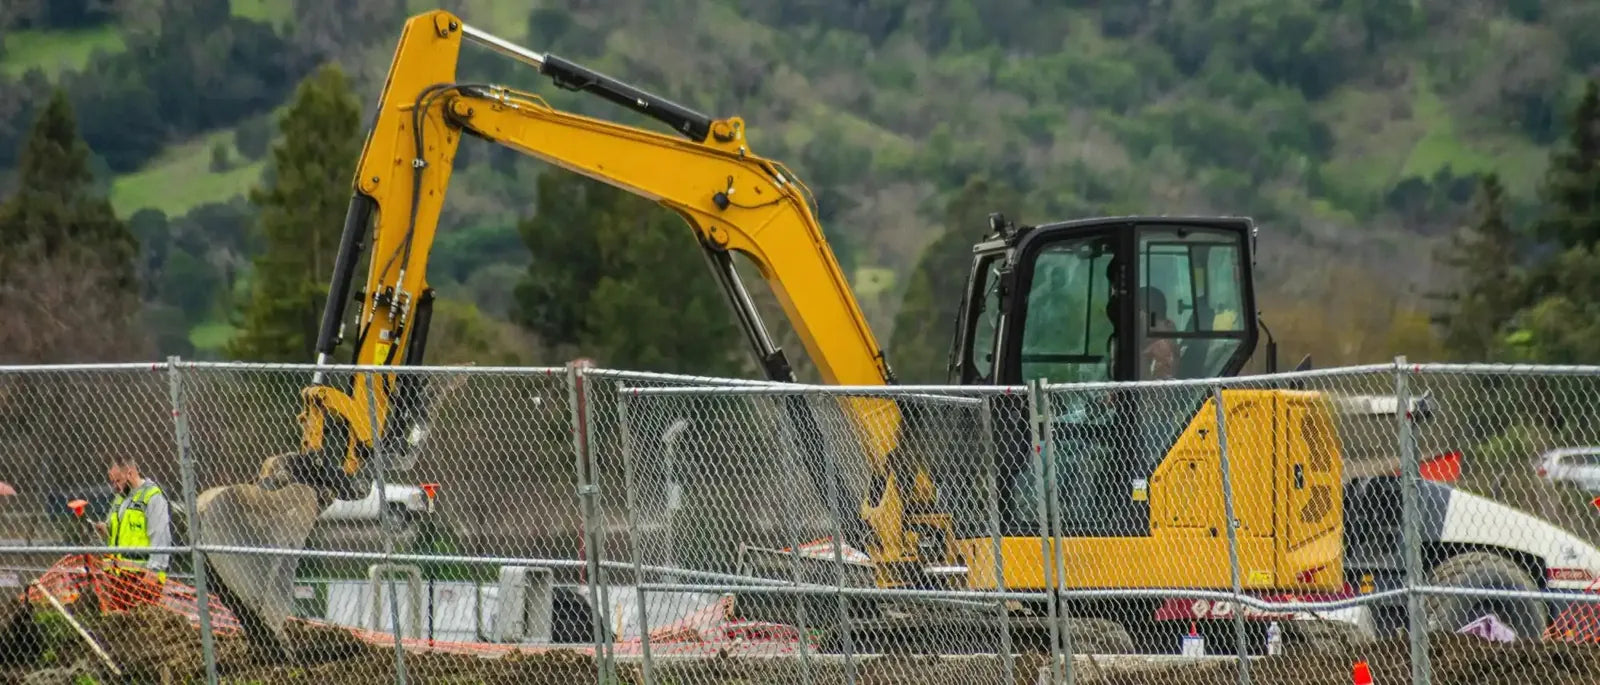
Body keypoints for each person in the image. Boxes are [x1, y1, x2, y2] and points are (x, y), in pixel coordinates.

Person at [93, 456, 171, 605]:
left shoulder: (152, 496)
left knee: (142, 624)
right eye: (112, 482)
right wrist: (105, 529)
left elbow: (161, 535)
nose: (115, 486)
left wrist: (154, 571)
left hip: (142, 578)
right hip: (118, 578)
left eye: (118, 481)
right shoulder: (120, 498)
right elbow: (117, 532)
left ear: (130, 473)